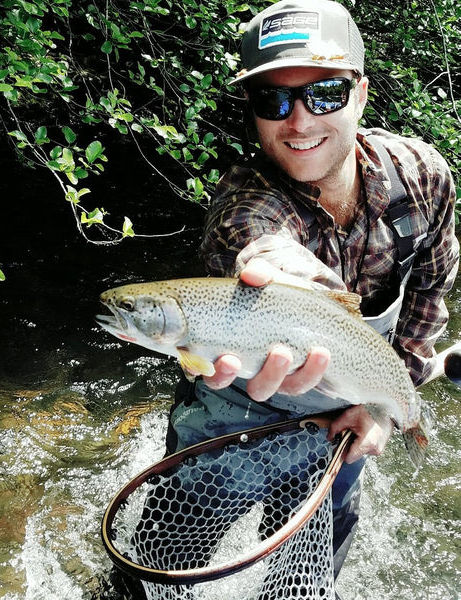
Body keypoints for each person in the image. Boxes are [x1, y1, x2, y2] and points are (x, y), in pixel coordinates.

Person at [161, 0, 459, 597]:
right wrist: (271, 265)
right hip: (237, 412)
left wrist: (377, 406)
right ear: (254, 112)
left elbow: (427, 295)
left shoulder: (422, 176)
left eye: (324, 94)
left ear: (362, 94)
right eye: (273, 100)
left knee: (308, 576)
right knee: (170, 551)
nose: (298, 122)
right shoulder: (243, 203)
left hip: (347, 411)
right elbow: (255, 240)